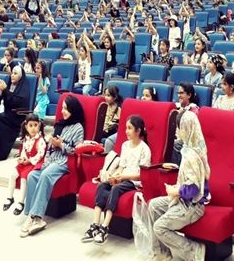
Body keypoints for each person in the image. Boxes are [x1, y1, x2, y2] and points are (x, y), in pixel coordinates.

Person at [21, 95, 85, 237]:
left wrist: (61, 145)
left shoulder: (78, 128)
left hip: (64, 162)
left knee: (45, 175)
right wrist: (52, 144)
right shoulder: (59, 124)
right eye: (62, 108)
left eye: (66, 109)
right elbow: (50, 147)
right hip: (51, 159)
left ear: (73, 110)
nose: (63, 111)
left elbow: (76, 150)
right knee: (32, 175)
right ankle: (30, 215)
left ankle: (36, 216)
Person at [148, 111, 208, 261]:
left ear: (186, 128)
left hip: (192, 206)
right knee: (153, 205)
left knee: (159, 227)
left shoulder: (192, 156)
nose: (176, 130)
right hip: (183, 201)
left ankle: (193, 251)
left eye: (178, 127)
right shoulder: (190, 147)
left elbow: (193, 189)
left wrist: (175, 191)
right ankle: (161, 253)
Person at [82, 115, 151, 245]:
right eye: (126, 128)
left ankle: (104, 228)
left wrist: (123, 177)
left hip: (133, 182)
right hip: (122, 178)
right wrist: (115, 175)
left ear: (138, 131)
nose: (126, 131)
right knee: (102, 186)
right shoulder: (125, 145)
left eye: (129, 128)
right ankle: (95, 225)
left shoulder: (144, 149)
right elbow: (121, 166)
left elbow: (141, 175)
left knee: (115, 188)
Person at [3, 113, 47, 216]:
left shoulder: (40, 140)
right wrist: (22, 158)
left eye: (35, 125)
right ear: (26, 127)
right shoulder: (26, 139)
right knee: (13, 174)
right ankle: (10, 197)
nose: (33, 128)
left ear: (39, 125)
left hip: (33, 163)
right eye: (30, 125)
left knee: (24, 178)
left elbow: (40, 155)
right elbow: (23, 151)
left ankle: (21, 202)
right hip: (25, 162)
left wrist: (29, 160)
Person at [101, 85, 122, 153]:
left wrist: (114, 124)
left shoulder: (118, 108)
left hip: (110, 131)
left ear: (115, 97)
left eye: (108, 95)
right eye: (105, 95)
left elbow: (120, 124)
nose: (106, 97)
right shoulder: (104, 105)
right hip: (103, 129)